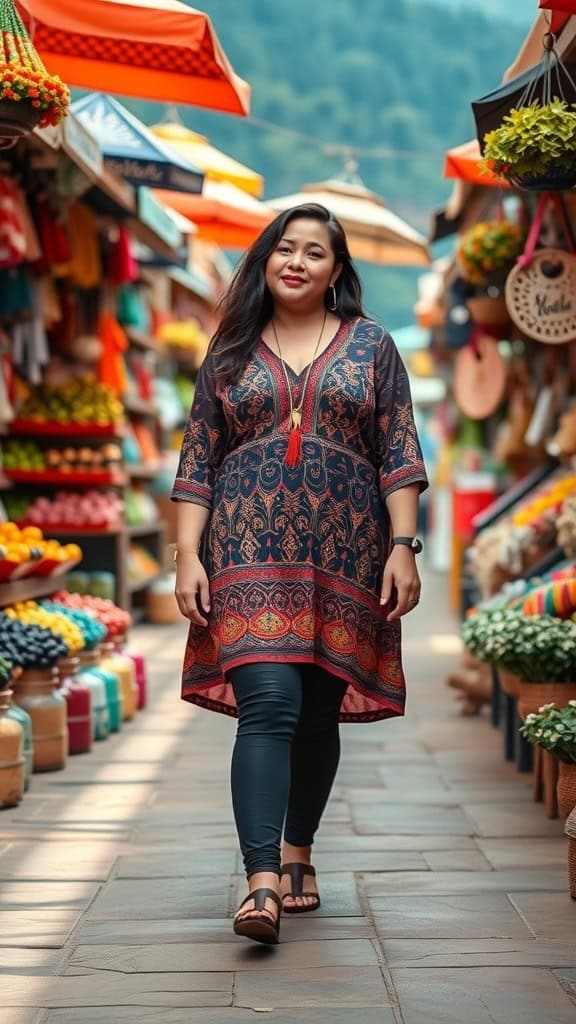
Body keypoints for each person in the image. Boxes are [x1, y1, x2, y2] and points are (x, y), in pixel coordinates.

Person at [172, 203, 428, 946]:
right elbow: (197, 460)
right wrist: (187, 555)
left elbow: (400, 452)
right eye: (285, 248)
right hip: (245, 555)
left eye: (315, 252)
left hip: (344, 560)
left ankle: (297, 855)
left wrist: (403, 546)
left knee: (316, 712)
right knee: (271, 704)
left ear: (336, 271)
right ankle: (259, 882)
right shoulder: (229, 351)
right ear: (264, 259)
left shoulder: (373, 347)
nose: (297, 261)